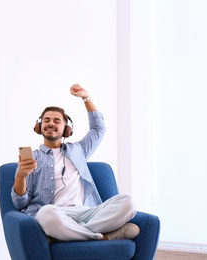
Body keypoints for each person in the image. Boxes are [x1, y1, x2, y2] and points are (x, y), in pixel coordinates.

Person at [11, 83, 139, 242]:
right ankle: (103, 237)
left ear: (66, 129)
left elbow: (98, 129)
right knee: (45, 214)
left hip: (87, 212)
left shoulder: (79, 150)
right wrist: (20, 177)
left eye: (57, 121)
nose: (51, 123)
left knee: (129, 201)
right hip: (55, 213)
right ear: (39, 126)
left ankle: (63, 235)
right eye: (47, 120)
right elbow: (19, 203)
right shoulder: (32, 158)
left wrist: (86, 97)